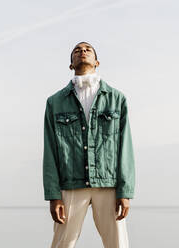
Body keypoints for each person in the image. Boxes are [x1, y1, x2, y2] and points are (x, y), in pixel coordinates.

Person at [42, 41, 135, 248]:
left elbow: (125, 146)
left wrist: (125, 191)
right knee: (62, 244)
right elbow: (50, 150)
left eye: (87, 49)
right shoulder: (55, 102)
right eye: (77, 50)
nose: (82, 52)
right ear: (71, 64)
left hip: (108, 184)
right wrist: (53, 195)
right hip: (71, 183)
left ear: (97, 61)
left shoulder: (116, 99)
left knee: (118, 244)